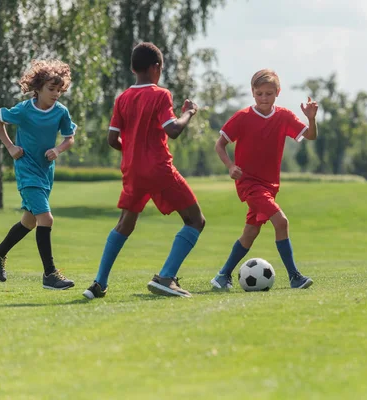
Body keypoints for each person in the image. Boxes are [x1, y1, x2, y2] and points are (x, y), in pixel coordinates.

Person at [82, 42, 204, 300]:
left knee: (125, 224)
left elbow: (112, 139)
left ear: (132, 68)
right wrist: (189, 113)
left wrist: (132, 152)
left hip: (132, 170)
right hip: (159, 169)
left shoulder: (122, 98)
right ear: (156, 68)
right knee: (195, 220)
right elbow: (173, 130)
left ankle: (99, 283)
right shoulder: (160, 94)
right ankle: (165, 278)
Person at [210, 69, 318, 290]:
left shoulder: (284, 116)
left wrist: (311, 119)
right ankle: (295, 277)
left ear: (277, 92)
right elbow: (219, 144)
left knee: (251, 232)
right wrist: (230, 167)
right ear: (252, 93)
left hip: (270, 186)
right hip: (249, 184)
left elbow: (311, 135)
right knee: (282, 222)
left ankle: (222, 276)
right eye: (259, 93)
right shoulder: (242, 118)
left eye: (269, 93)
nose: (264, 98)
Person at [0, 59, 77, 290]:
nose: (56, 94)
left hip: (46, 172)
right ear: (38, 88)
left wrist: (57, 149)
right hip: (27, 170)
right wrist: (10, 147)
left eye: (59, 89)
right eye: (51, 89)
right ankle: (50, 275)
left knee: (29, 221)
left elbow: (69, 138)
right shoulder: (24, 110)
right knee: (46, 219)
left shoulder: (61, 112)